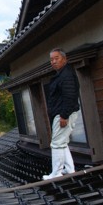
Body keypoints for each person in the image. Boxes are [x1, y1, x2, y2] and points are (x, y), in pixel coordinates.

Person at [43, 48, 80, 180]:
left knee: (57, 143)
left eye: (56, 58)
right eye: (51, 59)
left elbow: (70, 96)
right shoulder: (63, 74)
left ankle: (56, 173)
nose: (53, 61)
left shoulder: (66, 75)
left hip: (64, 114)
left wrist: (64, 115)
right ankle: (70, 169)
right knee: (62, 142)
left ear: (64, 59)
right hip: (62, 113)